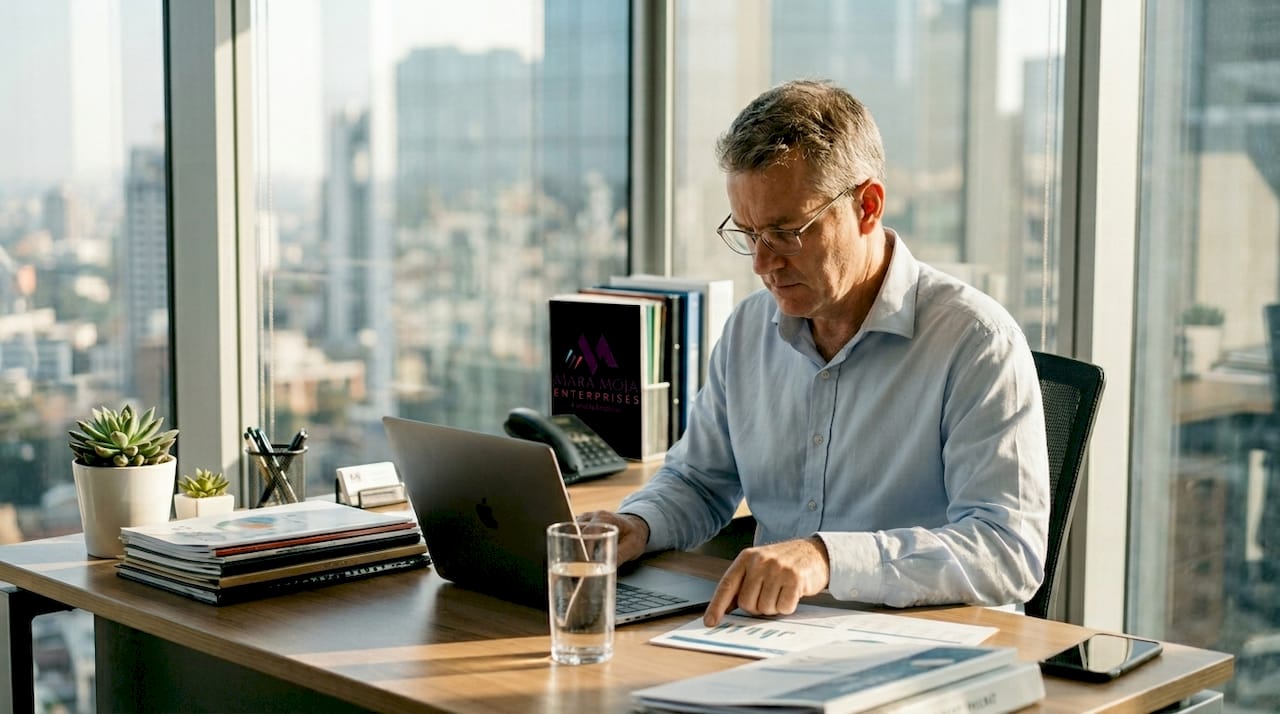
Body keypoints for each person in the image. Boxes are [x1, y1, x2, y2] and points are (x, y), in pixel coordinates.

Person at [580, 80, 1049, 627]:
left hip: (924, 650)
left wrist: (826, 558)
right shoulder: (749, 331)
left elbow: (1006, 549)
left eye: (785, 232)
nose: (761, 263)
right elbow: (698, 481)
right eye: (748, 232)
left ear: (867, 206)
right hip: (769, 637)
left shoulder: (977, 341)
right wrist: (636, 525)